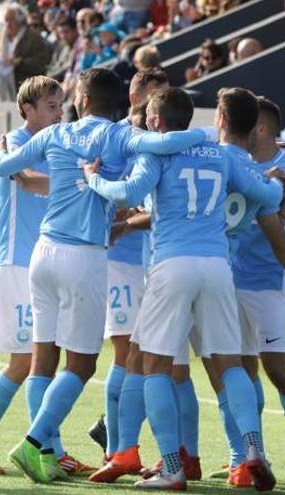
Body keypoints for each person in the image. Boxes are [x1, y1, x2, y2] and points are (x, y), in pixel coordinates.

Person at [0, 68, 208, 484]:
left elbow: (5, 167)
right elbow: (169, 141)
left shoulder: (57, 133)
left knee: (43, 360)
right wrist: (207, 135)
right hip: (83, 255)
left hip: (43, 252)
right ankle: (35, 442)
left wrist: (1, 155)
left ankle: (48, 452)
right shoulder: (117, 136)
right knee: (82, 364)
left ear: (83, 99)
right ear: (115, 102)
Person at [81, 87, 283, 491]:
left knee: (153, 366)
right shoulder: (223, 155)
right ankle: (253, 449)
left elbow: (129, 194)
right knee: (230, 365)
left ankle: (172, 466)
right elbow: (266, 195)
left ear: (156, 122)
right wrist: (279, 186)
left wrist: (93, 179)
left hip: (172, 264)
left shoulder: (158, 154)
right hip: (217, 266)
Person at [0, 76, 79, 476]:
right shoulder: (12, 142)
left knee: (47, 358)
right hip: (15, 262)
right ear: (26, 109)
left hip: (46, 263)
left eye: (61, 105)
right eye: (51, 105)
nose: (59, 112)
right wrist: (80, 181)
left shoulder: (59, 143)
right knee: (24, 362)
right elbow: (28, 180)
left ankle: (51, 448)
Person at [218, 95, 285, 487]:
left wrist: (280, 209)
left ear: (260, 129)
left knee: (277, 371)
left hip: (267, 284)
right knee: (241, 372)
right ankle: (249, 457)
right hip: (228, 281)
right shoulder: (234, 164)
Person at [83, 68, 170, 482]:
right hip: (122, 257)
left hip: (152, 261)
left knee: (153, 359)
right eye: (155, 95)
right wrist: (125, 213)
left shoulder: (153, 140)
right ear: (135, 95)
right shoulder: (117, 136)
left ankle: (119, 436)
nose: (159, 106)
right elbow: (109, 195)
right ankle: (118, 448)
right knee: (127, 354)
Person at [0, 5, 52, 102]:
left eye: (10, 20)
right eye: (5, 21)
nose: (7, 24)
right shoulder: (0, 38)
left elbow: (41, 63)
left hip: (26, 91)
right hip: (3, 91)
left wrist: (18, 62)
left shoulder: (34, 38)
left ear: (20, 20)